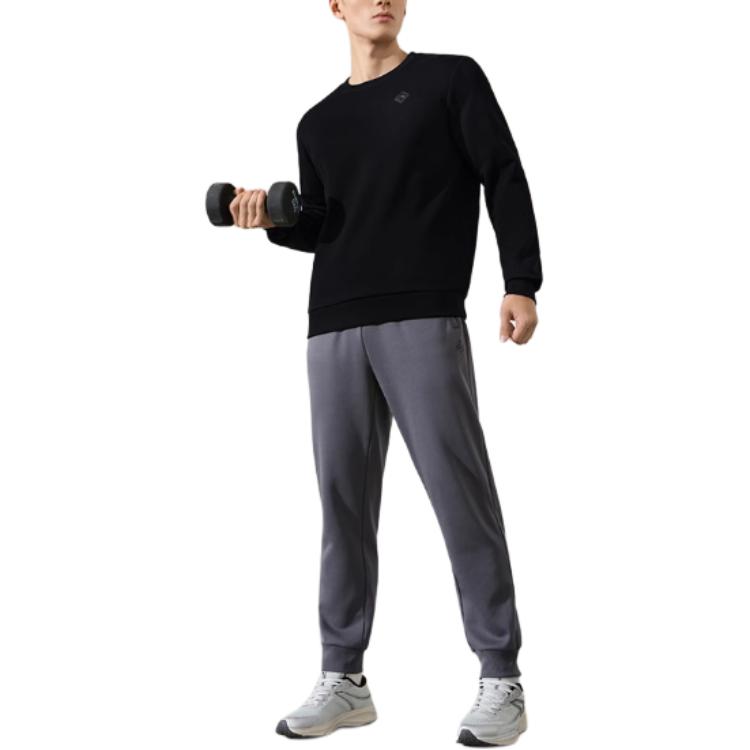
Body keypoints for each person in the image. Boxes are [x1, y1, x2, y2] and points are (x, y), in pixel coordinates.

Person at [229, 0, 542, 744]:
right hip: (332, 323)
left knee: (459, 493)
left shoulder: (450, 80)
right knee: (342, 503)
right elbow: (326, 224)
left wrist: (521, 281)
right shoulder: (317, 122)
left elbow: (502, 173)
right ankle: (344, 677)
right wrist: (271, 219)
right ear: (335, 7)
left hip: (422, 315)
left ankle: (501, 676)